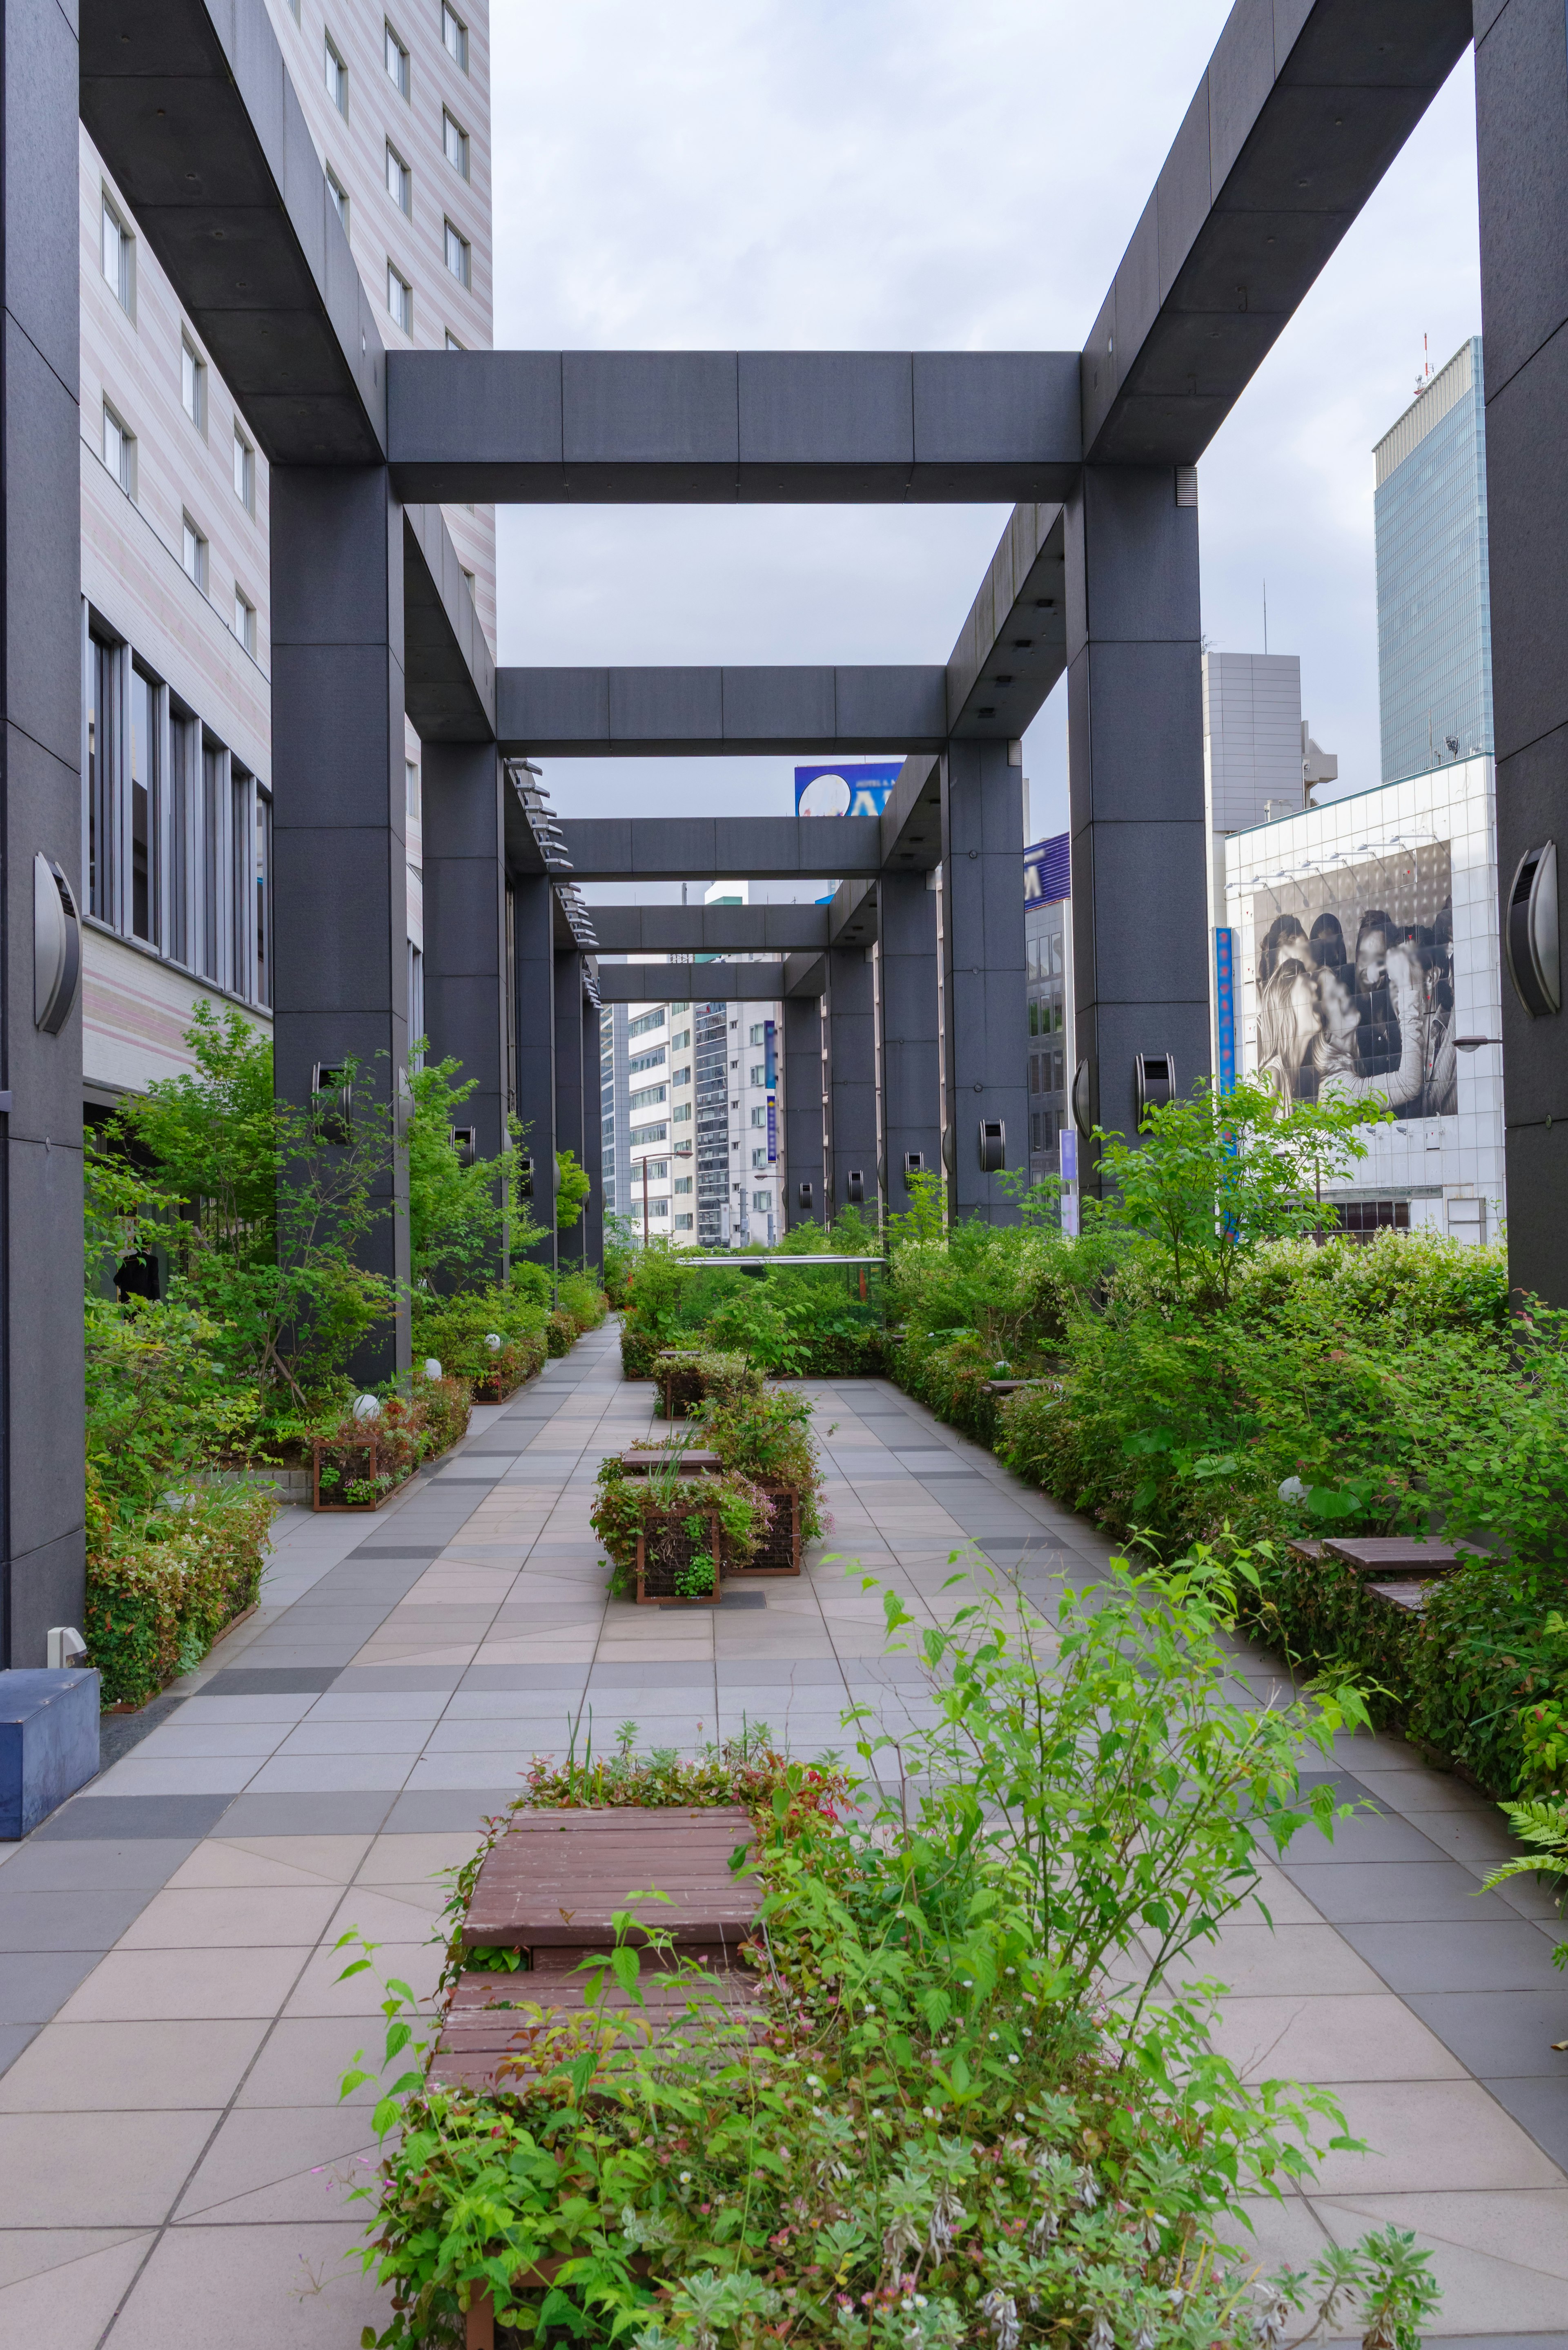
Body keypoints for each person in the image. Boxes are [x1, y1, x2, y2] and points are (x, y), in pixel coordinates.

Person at [1309, 943, 1426, 1111]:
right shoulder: (1337, 1090)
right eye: (1334, 995)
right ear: (1326, 1033)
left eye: (1340, 986)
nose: (1344, 992)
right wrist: (1406, 987)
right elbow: (1408, 1084)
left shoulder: (1347, 1075)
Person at [1256, 960, 1319, 1104]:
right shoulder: (1272, 1077)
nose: (1315, 985)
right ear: (1287, 1003)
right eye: (1306, 983)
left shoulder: (1303, 1080)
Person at [1352, 911, 1401, 1080]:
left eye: (1378, 959)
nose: (1369, 968)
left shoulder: (1398, 1010)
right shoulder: (1346, 1022)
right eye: (1365, 957)